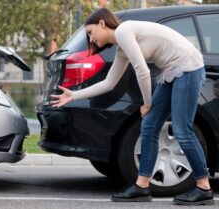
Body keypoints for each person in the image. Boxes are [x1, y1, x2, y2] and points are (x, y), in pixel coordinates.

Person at [50, 8, 213, 206]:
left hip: (188, 69)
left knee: (181, 129)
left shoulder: (123, 31)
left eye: (90, 32)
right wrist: (74, 95)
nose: (91, 39)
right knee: (150, 126)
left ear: (102, 23)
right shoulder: (122, 48)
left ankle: (203, 187)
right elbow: (109, 83)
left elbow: (142, 71)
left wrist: (147, 103)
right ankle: (142, 186)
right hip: (172, 73)